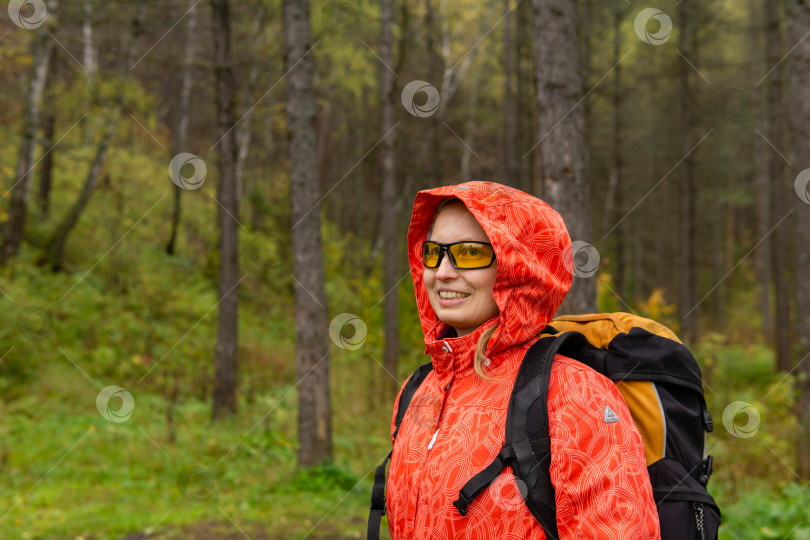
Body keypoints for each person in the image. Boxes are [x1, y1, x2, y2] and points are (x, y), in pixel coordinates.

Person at [385, 181, 660, 539]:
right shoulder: (418, 390)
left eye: (469, 253)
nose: (443, 272)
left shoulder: (575, 394)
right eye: (434, 253)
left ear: (519, 267)